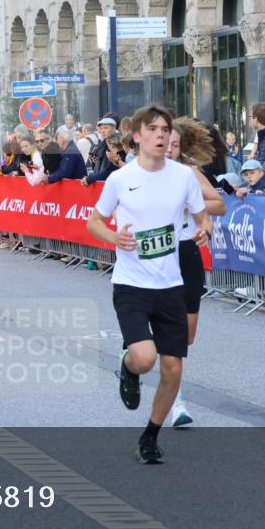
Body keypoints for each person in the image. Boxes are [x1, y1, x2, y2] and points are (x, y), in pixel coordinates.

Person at [87, 104, 211, 464]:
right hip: (131, 284)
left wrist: (205, 229)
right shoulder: (120, 179)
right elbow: (94, 221)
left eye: (165, 130)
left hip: (170, 284)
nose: (160, 135)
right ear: (137, 136)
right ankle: (128, 367)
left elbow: (203, 215)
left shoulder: (183, 176)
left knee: (173, 369)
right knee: (144, 358)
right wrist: (115, 238)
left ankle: (150, 436)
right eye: (153, 129)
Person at [166, 118, 225, 427]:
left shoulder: (188, 173)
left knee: (187, 335)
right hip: (157, 257)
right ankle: (177, 402)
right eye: (164, 143)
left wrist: (193, 208)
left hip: (187, 252)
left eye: (175, 145)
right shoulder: (137, 175)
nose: (169, 149)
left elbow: (218, 205)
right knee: (171, 331)